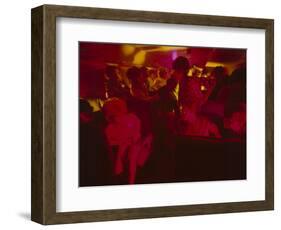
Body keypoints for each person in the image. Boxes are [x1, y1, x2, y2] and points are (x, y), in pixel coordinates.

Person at [103, 98, 152, 184]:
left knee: (131, 159)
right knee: (125, 156)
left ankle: (130, 180)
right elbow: (111, 140)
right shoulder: (110, 127)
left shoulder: (132, 119)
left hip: (136, 144)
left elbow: (137, 134)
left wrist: (134, 140)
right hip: (125, 146)